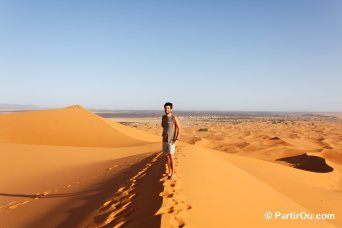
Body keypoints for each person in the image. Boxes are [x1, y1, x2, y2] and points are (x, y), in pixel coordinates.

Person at [161, 102, 181, 180]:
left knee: (171, 157)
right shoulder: (163, 117)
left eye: (168, 108)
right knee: (167, 157)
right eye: (166, 108)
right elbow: (163, 126)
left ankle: (173, 173)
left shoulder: (173, 118)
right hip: (164, 140)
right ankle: (169, 171)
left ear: (171, 109)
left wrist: (176, 139)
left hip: (171, 141)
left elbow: (179, 128)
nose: (167, 109)